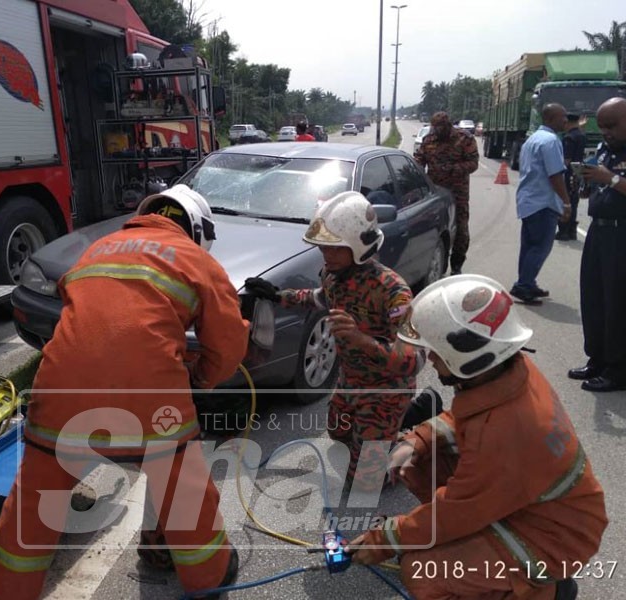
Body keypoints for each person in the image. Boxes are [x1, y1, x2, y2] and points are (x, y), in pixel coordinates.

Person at [0, 185, 249, 600]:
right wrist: (202, 379)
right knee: (183, 493)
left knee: (37, 500)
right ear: (196, 229)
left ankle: (3, 591)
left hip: (60, 392)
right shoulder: (195, 259)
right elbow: (228, 344)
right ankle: (208, 579)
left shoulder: (98, 249)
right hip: (149, 401)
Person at [348, 274, 607, 600]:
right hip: (528, 504)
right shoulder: (507, 372)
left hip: (555, 539)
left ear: (466, 357)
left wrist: (386, 539)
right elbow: (467, 417)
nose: (430, 359)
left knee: (422, 572)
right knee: (417, 461)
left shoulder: (508, 431)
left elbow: (459, 509)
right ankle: (469, 550)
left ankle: (549, 591)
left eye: (436, 352)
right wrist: (419, 440)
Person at [245, 192, 423, 491]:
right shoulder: (334, 273)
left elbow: (414, 361)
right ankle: (394, 427)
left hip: (386, 390)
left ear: (359, 246)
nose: (325, 255)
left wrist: (361, 339)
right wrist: (277, 295)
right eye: (323, 247)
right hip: (350, 381)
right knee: (339, 435)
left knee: (365, 484)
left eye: (334, 249)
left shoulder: (394, 292)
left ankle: (416, 439)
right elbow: (318, 298)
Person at [569, 97, 626, 392]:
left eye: (612, 126)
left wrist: (611, 178)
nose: (606, 132)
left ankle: (618, 370)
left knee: (618, 304)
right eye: (602, 126)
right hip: (599, 232)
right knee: (593, 297)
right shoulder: (605, 149)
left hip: (622, 235)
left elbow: (615, 180)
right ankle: (598, 359)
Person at [509, 103, 572, 305]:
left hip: (528, 200)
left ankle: (527, 282)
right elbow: (555, 174)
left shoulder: (533, 139)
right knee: (540, 247)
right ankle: (524, 286)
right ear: (550, 118)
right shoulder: (551, 140)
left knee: (529, 246)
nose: (566, 120)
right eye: (563, 117)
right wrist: (566, 202)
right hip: (542, 202)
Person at [414, 111, 479, 275]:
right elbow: (419, 160)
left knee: (461, 231)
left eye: (440, 128)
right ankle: (435, 263)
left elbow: (473, 163)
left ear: (448, 125)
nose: (437, 131)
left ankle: (456, 266)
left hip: (458, 192)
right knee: (434, 230)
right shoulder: (428, 140)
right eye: (434, 128)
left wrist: (454, 169)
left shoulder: (464, 139)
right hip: (434, 193)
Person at [556, 113, 587, 241]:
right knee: (574, 202)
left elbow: (566, 159)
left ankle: (563, 231)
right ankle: (572, 231)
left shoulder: (569, 138)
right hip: (578, 172)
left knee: (566, 201)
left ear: (568, 122)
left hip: (569, 173)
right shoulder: (582, 136)